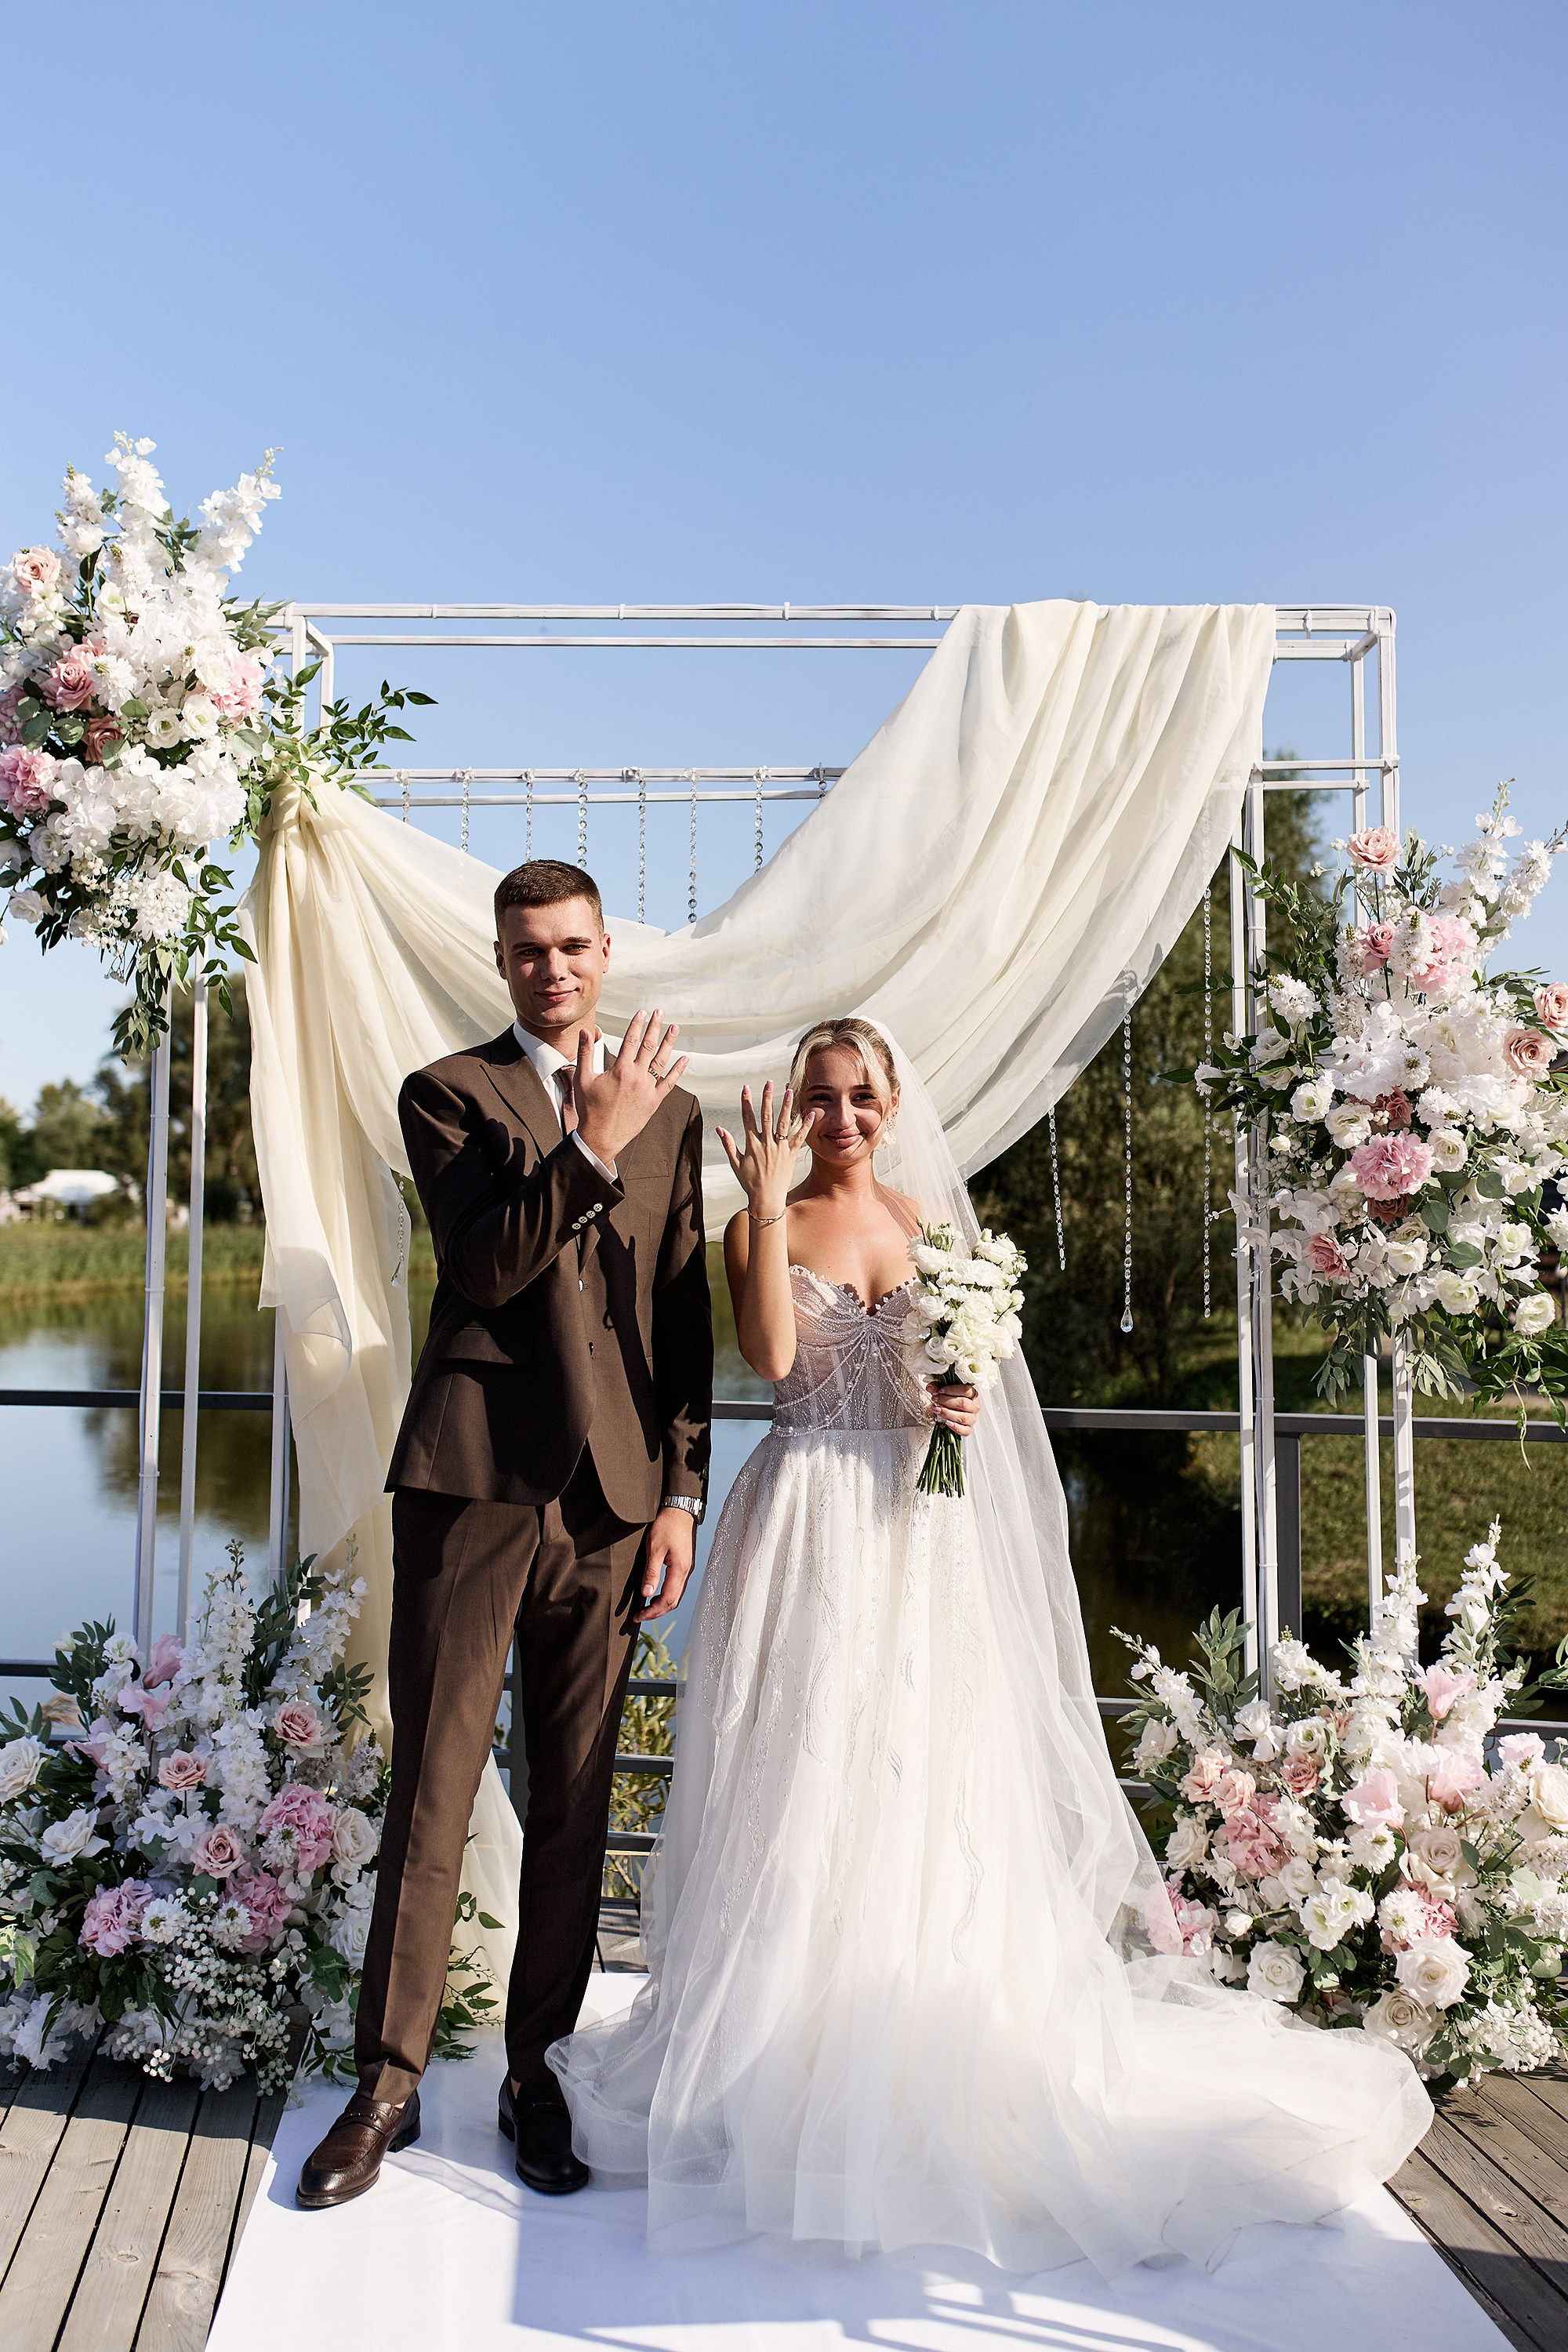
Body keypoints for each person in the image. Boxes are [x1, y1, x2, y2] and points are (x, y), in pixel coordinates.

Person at [547, 1016, 1431, 2278]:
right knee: (800, 1780)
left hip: (921, 1531)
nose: (840, 1116)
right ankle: (782, 2059)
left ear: (894, 1102)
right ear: (792, 1111)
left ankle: (918, 2040)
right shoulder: (765, 1221)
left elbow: (967, 1372)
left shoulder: (942, 1234)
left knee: (921, 1776)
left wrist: (958, 1390)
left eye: (859, 1095)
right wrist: (759, 1200)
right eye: (819, 1097)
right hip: (804, 1521)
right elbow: (771, 1357)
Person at [297, 859, 713, 2211]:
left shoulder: (676, 1114)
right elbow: (484, 1267)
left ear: (606, 954)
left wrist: (682, 1495)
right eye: (528, 949)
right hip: (473, 1493)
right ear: (501, 959)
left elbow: (682, 1322)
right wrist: (591, 1143)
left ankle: (538, 2070)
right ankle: (391, 2084)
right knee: (432, 1788)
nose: (553, 968)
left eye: (575, 946)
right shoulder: (450, 1095)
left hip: (610, 1507)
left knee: (577, 1798)